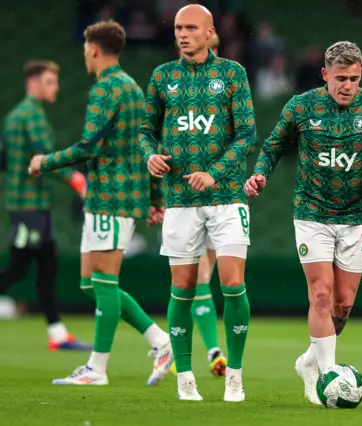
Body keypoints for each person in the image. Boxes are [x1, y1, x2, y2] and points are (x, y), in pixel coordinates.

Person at [245, 41, 362, 405]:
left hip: (356, 217)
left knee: (342, 305)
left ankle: (309, 361)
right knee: (322, 294)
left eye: (354, 79)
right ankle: (328, 375)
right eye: (341, 78)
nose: (348, 86)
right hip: (312, 213)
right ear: (325, 74)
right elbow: (272, 146)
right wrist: (260, 174)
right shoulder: (301, 106)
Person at [28, 20, 173, 386]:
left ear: (93, 49)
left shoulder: (107, 89)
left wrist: (44, 161)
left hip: (111, 198)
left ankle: (97, 369)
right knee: (92, 284)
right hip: (112, 197)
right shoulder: (133, 89)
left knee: (104, 283)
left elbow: (88, 146)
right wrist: (155, 197)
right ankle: (159, 341)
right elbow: (147, 145)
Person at [139, 4, 256, 402]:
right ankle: (185, 378)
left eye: (191, 27)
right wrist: (148, 155)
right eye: (178, 27)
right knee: (182, 289)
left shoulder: (232, 74)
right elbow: (144, 130)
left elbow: (246, 135)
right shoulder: (161, 77)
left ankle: (235, 376)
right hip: (179, 199)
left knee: (233, 283)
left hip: (226, 197)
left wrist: (215, 172)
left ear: (210, 33)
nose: (183, 33)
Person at [0, 60, 92, 352]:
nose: (57, 88)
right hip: (30, 207)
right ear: (34, 83)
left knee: (46, 266)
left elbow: (5, 160)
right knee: (18, 267)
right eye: (50, 82)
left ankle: (57, 333)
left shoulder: (15, 115)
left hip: (26, 205)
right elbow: (46, 159)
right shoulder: (33, 116)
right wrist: (76, 178)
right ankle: (57, 333)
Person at [167, 31, 228, 379]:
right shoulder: (176, 89)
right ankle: (195, 350)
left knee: (200, 276)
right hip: (183, 196)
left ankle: (199, 351)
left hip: (217, 196)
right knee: (189, 280)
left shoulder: (228, 89)